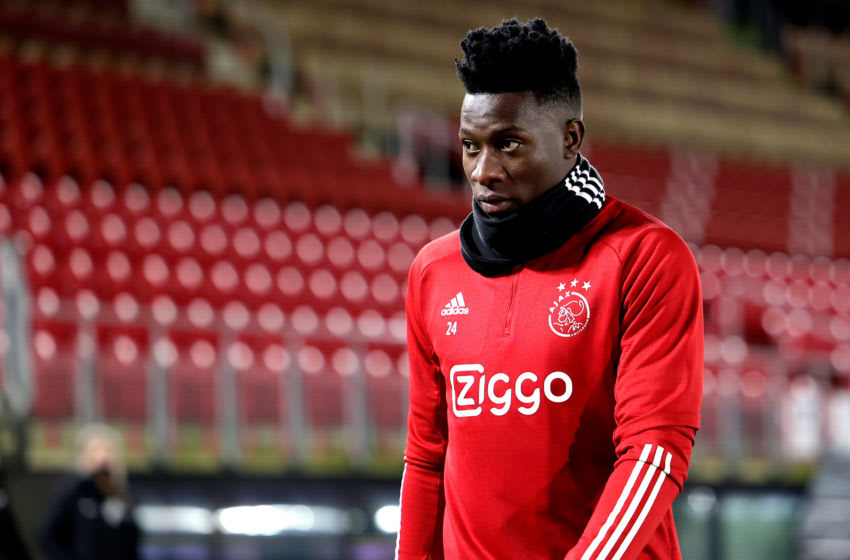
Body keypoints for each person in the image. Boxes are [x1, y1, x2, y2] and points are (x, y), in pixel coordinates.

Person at [397, 18, 703, 560]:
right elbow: (426, 457)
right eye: (470, 146)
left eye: (509, 144)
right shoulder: (433, 271)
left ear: (570, 140)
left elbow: (655, 452)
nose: (483, 171)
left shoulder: (645, 256)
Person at [41, 424, 140, 560]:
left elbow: (131, 541)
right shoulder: (71, 491)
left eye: (108, 450)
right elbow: (48, 537)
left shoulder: (124, 495)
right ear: (84, 455)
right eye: (96, 449)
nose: (103, 456)